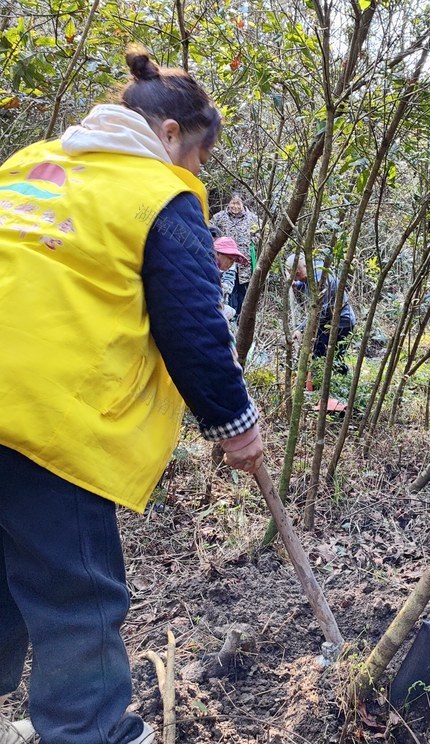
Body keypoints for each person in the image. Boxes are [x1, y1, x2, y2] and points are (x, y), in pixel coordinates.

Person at [0, 46, 264, 744]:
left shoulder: (30, 164)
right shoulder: (156, 190)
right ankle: (89, 730)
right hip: (45, 420)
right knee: (75, 591)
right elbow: (192, 323)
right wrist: (233, 420)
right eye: (200, 160)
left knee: (5, 579)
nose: (197, 176)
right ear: (170, 135)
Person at [289, 254, 356, 369]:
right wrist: (296, 285)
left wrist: (301, 329)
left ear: (303, 268)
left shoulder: (321, 277)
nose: (297, 278)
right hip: (328, 322)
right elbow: (306, 283)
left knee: (331, 360)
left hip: (340, 323)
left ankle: (338, 383)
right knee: (320, 357)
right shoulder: (311, 273)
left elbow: (320, 313)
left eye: (297, 275)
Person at [210, 192, 259, 318]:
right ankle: (230, 316)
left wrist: (254, 239)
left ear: (242, 204)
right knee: (229, 289)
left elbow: (263, 230)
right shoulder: (220, 216)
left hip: (244, 261)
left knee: (243, 290)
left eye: (238, 203)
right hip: (225, 258)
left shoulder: (252, 218)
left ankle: (241, 318)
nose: (235, 206)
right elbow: (209, 228)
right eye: (233, 203)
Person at [214, 235, 248, 325]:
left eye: (233, 260)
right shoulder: (205, 269)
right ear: (217, 253)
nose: (231, 263)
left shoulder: (223, 270)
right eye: (229, 259)